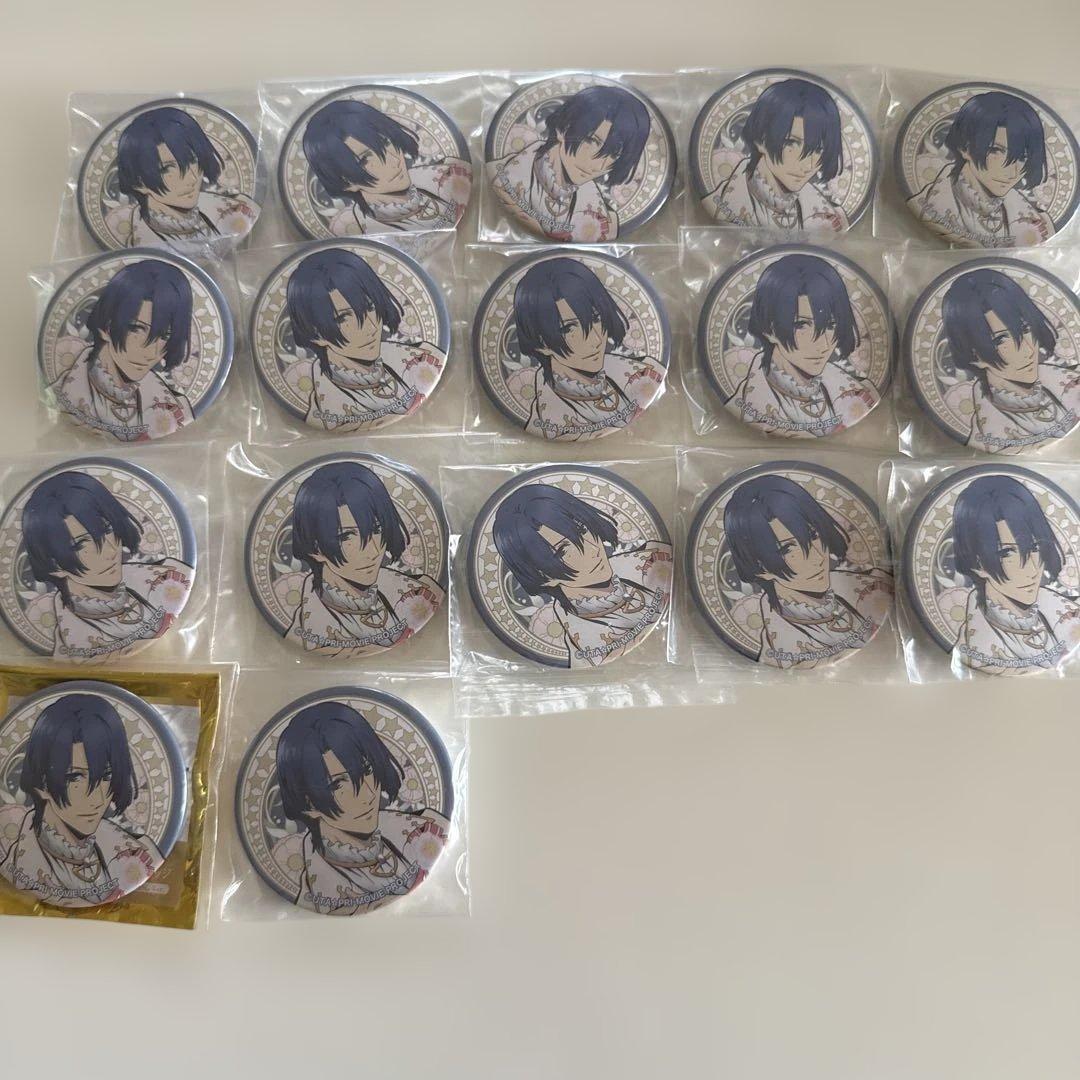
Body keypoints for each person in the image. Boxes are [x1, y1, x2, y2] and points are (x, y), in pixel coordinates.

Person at [275, 700, 448, 915]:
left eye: (367, 770)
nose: (368, 794)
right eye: (337, 784)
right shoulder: (323, 895)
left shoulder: (419, 827)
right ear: (307, 802)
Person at [0, 693, 162, 907]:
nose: (98, 799)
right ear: (41, 781)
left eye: (107, 776)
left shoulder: (136, 851)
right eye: (74, 777)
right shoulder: (16, 858)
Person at [492, 483, 671, 668]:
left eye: (582, 530)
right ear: (542, 575)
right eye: (562, 551)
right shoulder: (589, 647)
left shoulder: (642, 562)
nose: (592, 548)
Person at [723, 473, 892, 668]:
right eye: (787, 549)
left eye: (813, 535)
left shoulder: (867, 585)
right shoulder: (786, 652)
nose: (817, 557)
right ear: (759, 567)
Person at [21, 471, 193, 660]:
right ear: (54, 564)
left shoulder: (159, 577)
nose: (110, 550)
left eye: (108, 529)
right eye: (81, 544)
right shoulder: (78, 649)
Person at [285, 461, 444, 655]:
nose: (373, 551)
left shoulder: (419, 590)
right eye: (346, 536)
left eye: (377, 529)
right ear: (315, 548)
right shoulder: (311, 633)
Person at [286, 247, 445, 431]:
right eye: (343, 318)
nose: (371, 327)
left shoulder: (420, 356)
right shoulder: (331, 413)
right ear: (315, 333)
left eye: (370, 307)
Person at [514, 257, 666, 440]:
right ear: (541, 342)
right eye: (568, 328)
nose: (596, 340)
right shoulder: (549, 419)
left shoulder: (640, 371)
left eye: (595, 318)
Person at [727, 253, 877, 437]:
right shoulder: (746, 404)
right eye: (801, 325)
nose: (823, 344)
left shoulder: (858, 392)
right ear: (769, 329)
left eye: (831, 325)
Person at [48, 259, 195, 441]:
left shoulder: (178, 408)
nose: (150, 353)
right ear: (106, 326)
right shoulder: (60, 397)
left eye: (165, 336)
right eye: (136, 329)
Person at [951, 474, 1080, 673]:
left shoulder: (1064, 613)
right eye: (1007, 553)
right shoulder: (973, 644)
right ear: (977, 564)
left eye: (1035, 547)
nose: (1032, 569)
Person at [941, 268, 1078, 453]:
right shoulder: (991, 434)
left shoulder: (1065, 384)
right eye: (1000, 340)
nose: (1027, 349)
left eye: (1025, 328)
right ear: (973, 355)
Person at [488, 85, 651, 241]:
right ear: (563, 129)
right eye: (592, 141)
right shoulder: (504, 176)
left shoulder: (597, 211)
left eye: (614, 154)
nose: (598, 165)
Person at [906, 91, 1055, 247]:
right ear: (965, 147)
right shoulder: (926, 205)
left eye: (1023, 157)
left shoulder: (1040, 224)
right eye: (995, 151)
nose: (1012, 173)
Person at [302, 99, 469, 235]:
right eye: (365, 159)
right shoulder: (353, 229)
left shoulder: (440, 177)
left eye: (386, 142)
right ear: (346, 182)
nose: (394, 159)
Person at [704, 78, 848, 233]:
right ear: (761, 139)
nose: (808, 165)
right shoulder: (721, 205)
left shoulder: (832, 219)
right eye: (791, 143)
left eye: (819, 149)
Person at [116, 106, 257, 247]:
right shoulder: (126, 234)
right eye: (166, 169)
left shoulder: (231, 209)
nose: (192, 179)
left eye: (193, 160)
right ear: (139, 182)